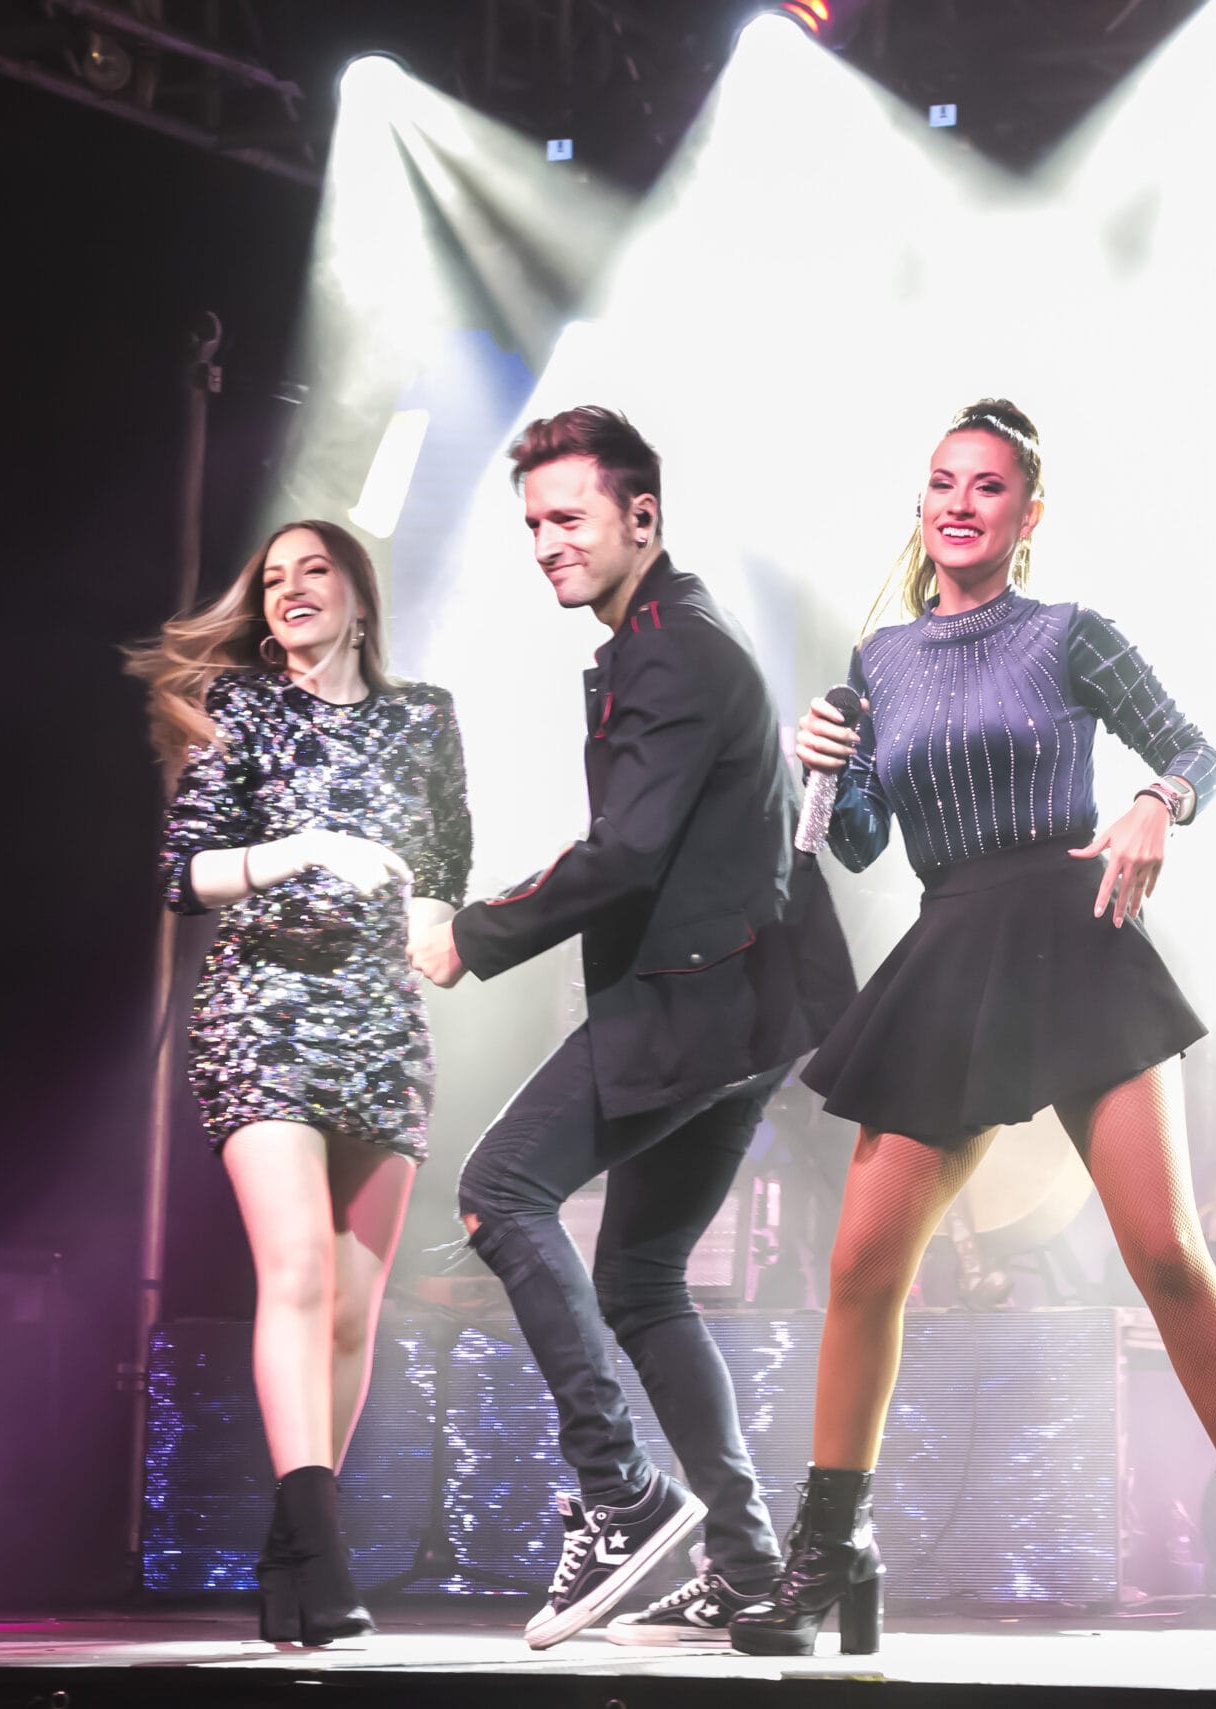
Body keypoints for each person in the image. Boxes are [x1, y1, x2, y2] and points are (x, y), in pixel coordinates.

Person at [732, 399, 1216, 1667]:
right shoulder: (879, 659)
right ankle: (832, 1550)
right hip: (951, 946)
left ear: (1028, 514)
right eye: (942, 483)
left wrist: (1155, 799)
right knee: (859, 1267)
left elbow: (1196, 748)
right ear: (920, 506)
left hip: (1075, 936)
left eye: (988, 486)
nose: (959, 503)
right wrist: (822, 768)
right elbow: (863, 846)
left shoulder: (1070, 633)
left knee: (1164, 1252)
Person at [410, 406, 855, 1650]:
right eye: (532, 524)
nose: (546, 543)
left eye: (569, 517)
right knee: (642, 1278)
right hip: (742, 1011)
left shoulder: (670, 652)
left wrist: (473, 933)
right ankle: (749, 1569)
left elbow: (626, 852)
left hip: (694, 1003)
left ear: (641, 518)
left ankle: (621, 1494)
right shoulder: (669, 640)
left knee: (501, 1189)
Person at [131, 518, 472, 1645]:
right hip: (265, 1008)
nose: (289, 589)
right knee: (300, 1269)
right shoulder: (241, 707)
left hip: (381, 1023)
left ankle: (292, 1554)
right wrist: (307, 847)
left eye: (313, 569)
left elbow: (446, 859)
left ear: (360, 595)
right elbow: (184, 871)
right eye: (272, 577)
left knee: (355, 1306)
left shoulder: (424, 715)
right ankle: (323, 1549)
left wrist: (436, 926)